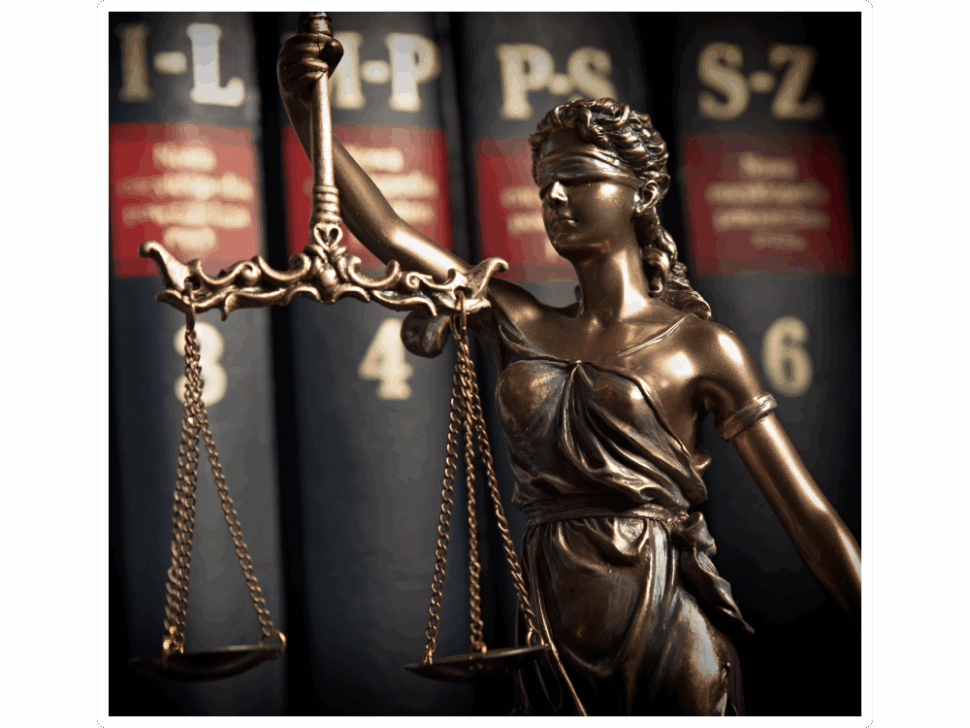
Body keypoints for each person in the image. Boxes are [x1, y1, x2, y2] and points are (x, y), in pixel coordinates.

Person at [277, 33, 861, 716]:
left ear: (640, 194)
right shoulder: (513, 316)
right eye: (545, 181)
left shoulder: (702, 347)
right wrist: (302, 103)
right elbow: (390, 233)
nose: (553, 194)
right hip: (551, 632)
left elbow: (809, 513)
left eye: (579, 176)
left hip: (667, 621)